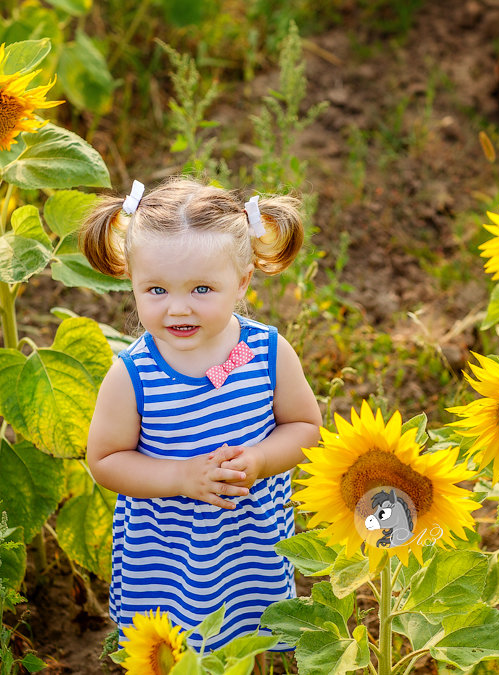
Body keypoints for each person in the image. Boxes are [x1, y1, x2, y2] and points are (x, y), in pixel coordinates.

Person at [79, 176, 322, 654]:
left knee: (247, 643)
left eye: (202, 288)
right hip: (168, 556)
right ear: (132, 283)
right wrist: (181, 477)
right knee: (173, 650)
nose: (178, 308)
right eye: (156, 291)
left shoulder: (268, 352)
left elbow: (305, 427)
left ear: (243, 281)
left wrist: (260, 460)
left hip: (248, 543)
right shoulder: (133, 374)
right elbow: (104, 460)